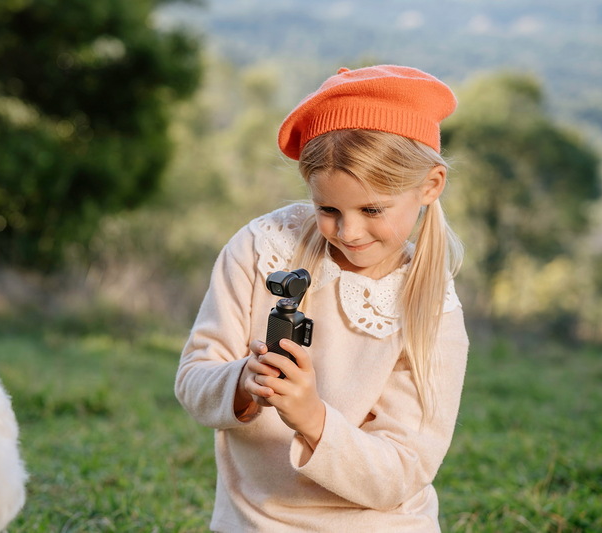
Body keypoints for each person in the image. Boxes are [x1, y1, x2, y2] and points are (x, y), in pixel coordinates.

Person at [174, 65, 469, 532]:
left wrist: (312, 418)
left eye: (372, 209)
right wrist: (243, 384)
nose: (348, 232)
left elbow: (402, 472)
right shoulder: (262, 247)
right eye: (327, 209)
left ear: (430, 185)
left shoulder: (432, 310)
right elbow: (193, 379)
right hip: (253, 520)